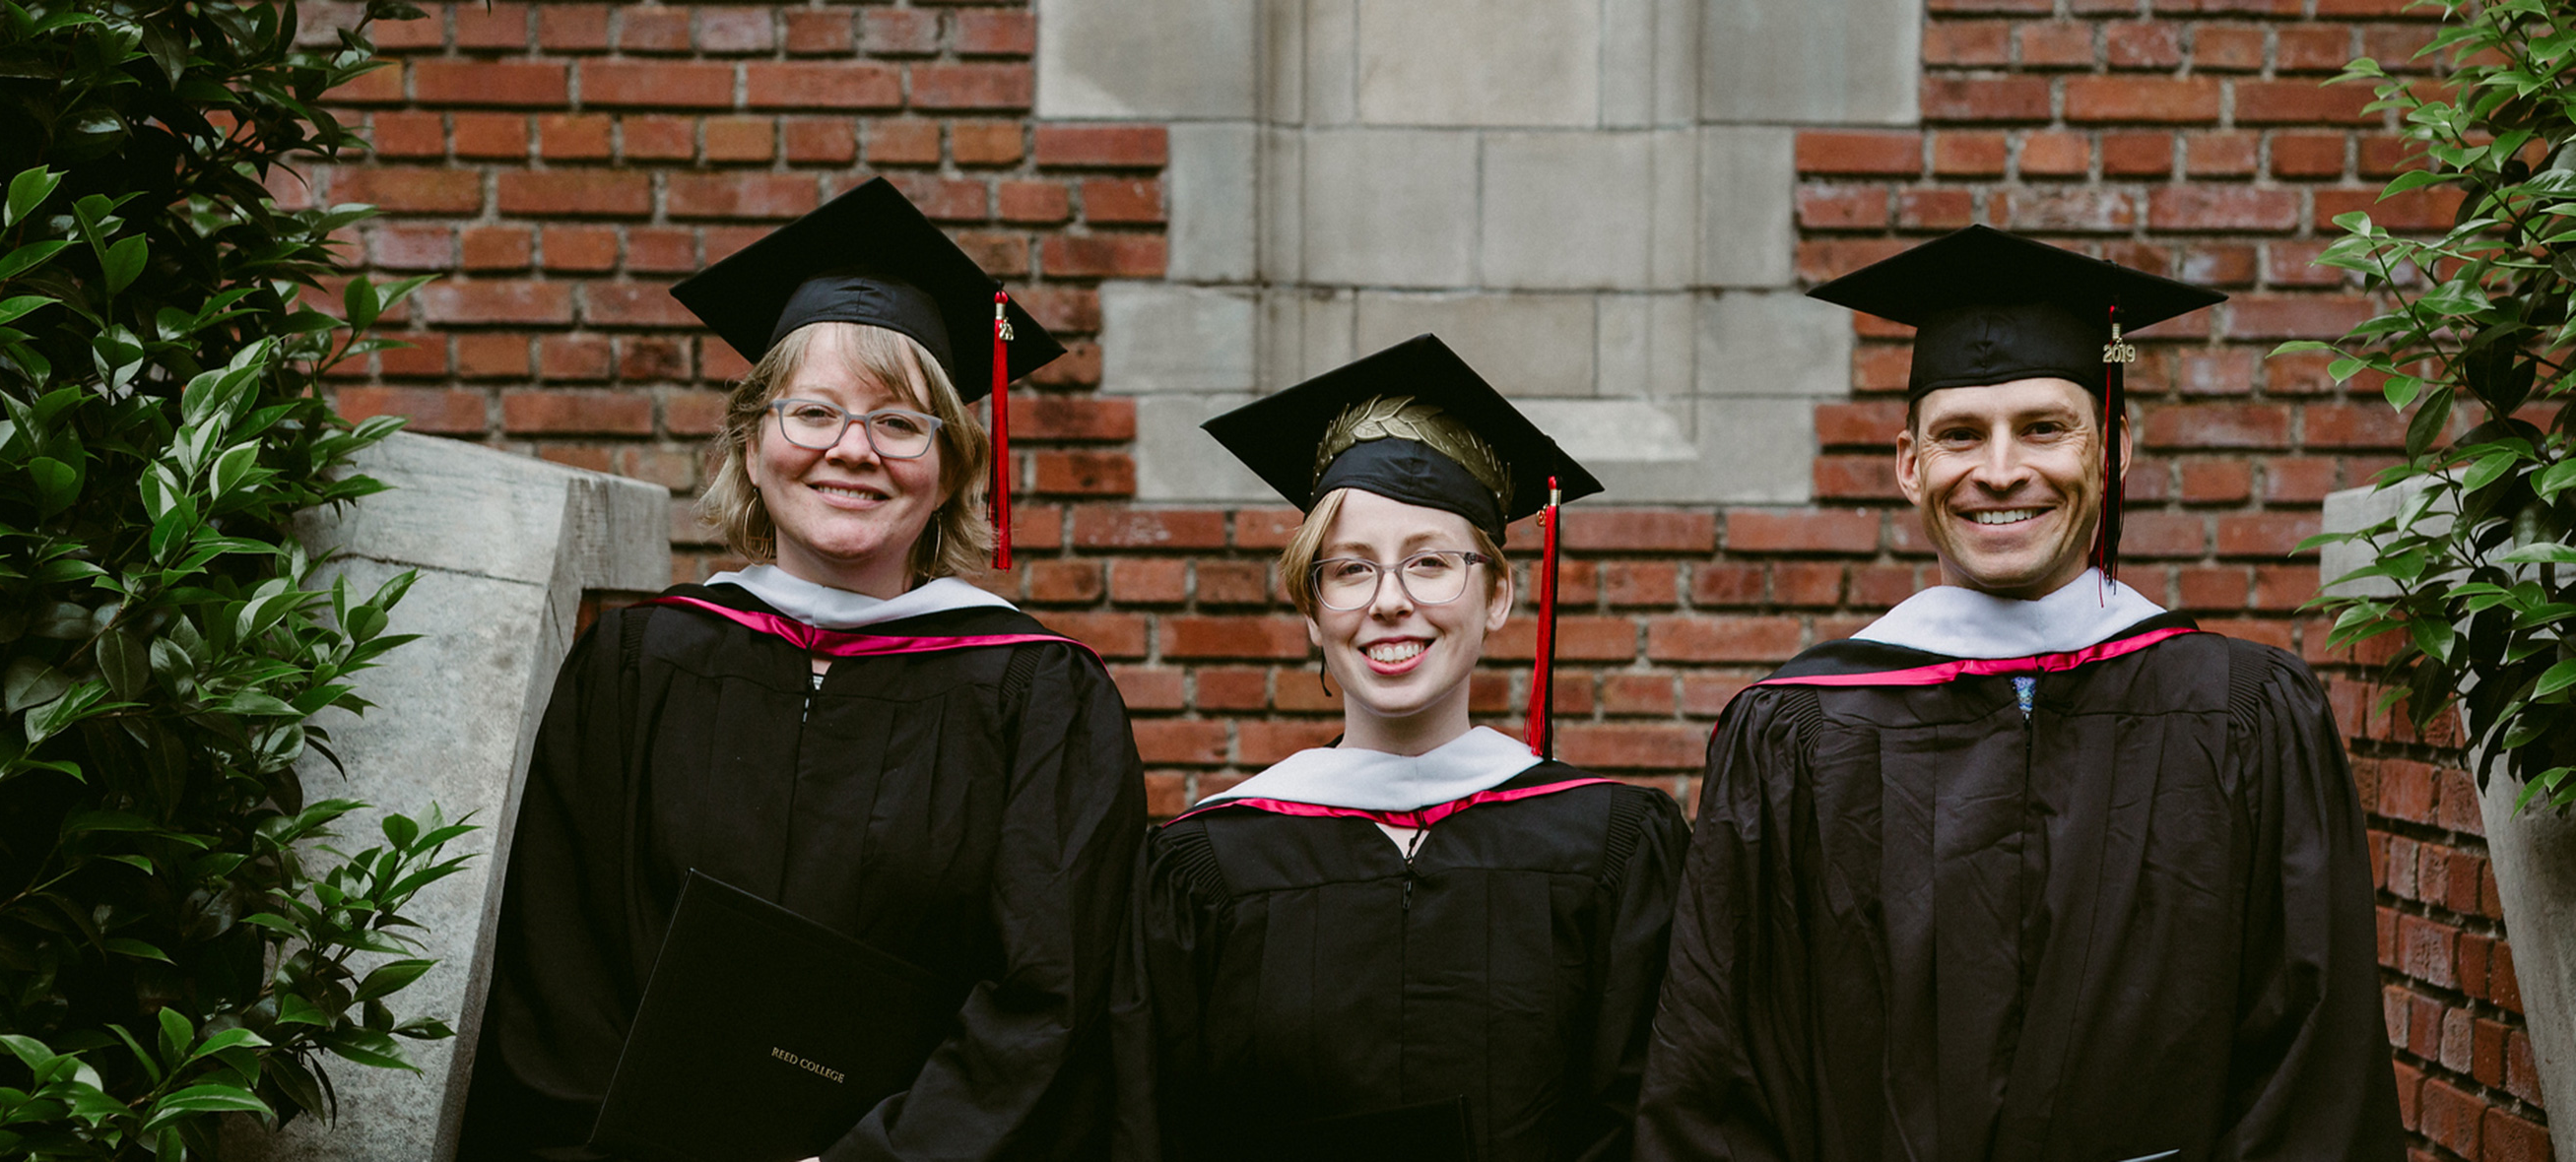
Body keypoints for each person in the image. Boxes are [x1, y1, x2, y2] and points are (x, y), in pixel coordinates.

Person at [1633, 226, 2402, 1162]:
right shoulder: (1799, 730)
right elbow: (1720, 1068)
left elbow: (2314, 1061)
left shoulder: (2241, 711)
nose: (2000, 470)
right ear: (1911, 464)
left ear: (2112, 448)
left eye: (2045, 427)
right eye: (1961, 434)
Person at [456, 178, 1146, 1162]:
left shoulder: (1039, 697)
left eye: (900, 422)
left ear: (952, 464)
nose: (851, 451)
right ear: (752, 437)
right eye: (813, 411)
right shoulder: (636, 664)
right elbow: (556, 967)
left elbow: (1055, 992)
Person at [1117, 335, 1690, 1162]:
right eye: (1350, 570)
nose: (1390, 602)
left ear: (1497, 595)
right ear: (1313, 611)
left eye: (1430, 563)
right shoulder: (1208, 866)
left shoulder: (1613, 849)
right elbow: (1151, 1126)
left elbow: (1654, 1117)